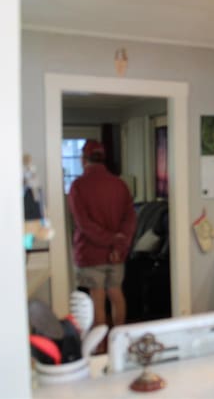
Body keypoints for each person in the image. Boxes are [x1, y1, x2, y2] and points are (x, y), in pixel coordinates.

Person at [68, 140, 136, 331]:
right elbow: (130, 219)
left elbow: (84, 225)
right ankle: (119, 337)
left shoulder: (78, 186)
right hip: (116, 254)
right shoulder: (119, 185)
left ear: (84, 160)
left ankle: (100, 347)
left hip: (90, 253)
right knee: (116, 293)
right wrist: (118, 244)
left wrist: (110, 240)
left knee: (97, 298)